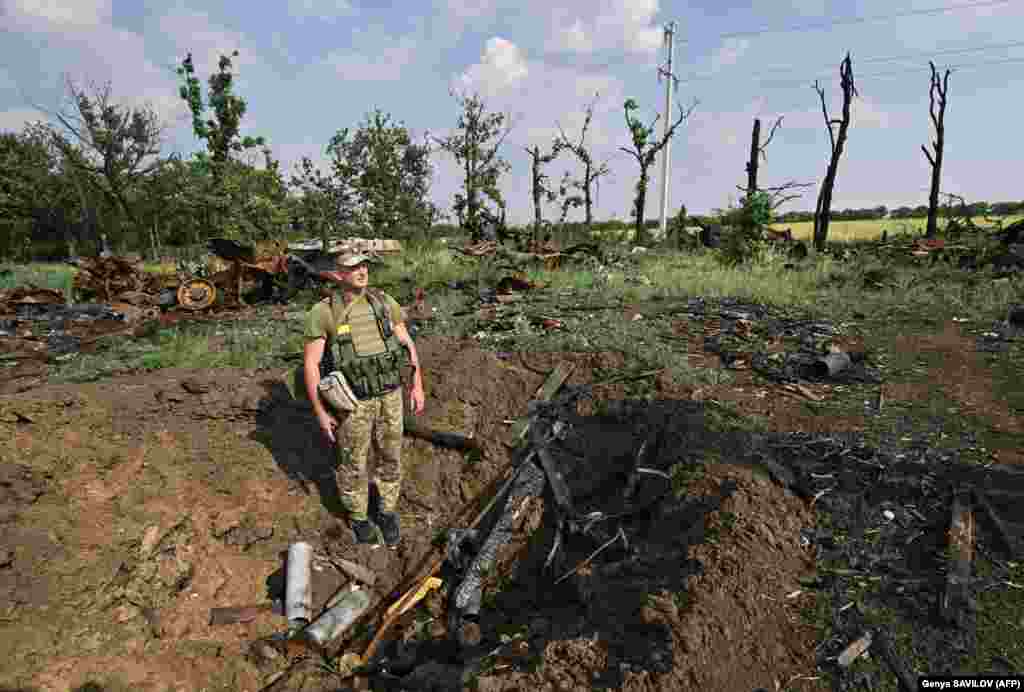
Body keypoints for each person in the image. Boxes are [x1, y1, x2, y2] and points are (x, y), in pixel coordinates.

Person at [302, 250, 426, 546]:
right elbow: (311, 364)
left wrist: (417, 383)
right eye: (352, 266)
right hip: (353, 402)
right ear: (336, 273)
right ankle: (358, 516)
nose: (361, 271)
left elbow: (406, 342)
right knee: (353, 461)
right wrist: (320, 411)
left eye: (364, 265)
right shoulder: (324, 312)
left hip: (390, 395)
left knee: (390, 455)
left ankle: (386, 511)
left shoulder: (384, 302)